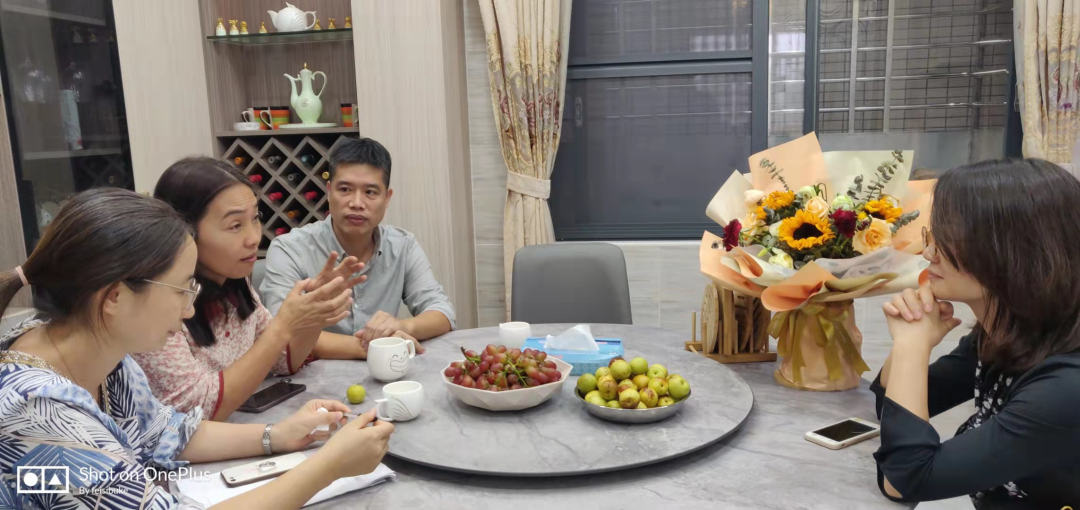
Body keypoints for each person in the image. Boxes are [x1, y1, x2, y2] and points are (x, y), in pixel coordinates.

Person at [0, 188, 394, 509]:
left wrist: (279, 435)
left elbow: (164, 432)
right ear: (115, 297)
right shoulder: (37, 416)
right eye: (181, 289)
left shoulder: (107, 358)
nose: (189, 308)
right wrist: (328, 466)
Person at [872, 159, 1080, 509]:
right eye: (931, 236)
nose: (928, 252)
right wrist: (913, 331)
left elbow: (906, 478)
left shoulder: (1065, 386)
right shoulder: (1007, 334)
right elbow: (892, 409)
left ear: (1013, 252)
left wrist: (912, 345)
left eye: (945, 239)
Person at [133, 158, 361, 419]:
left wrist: (314, 315)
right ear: (185, 232)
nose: (254, 238)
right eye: (235, 225)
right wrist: (283, 326)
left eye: (255, 218)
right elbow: (195, 411)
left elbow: (283, 362)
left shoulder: (234, 283)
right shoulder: (158, 305)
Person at [261, 138, 455, 358]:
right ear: (329, 191)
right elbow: (280, 334)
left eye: (370, 192)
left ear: (387, 198)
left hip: (387, 373)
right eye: (345, 189)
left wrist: (403, 326)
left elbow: (443, 312)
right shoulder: (289, 249)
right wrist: (378, 347)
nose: (356, 203)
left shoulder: (403, 246)